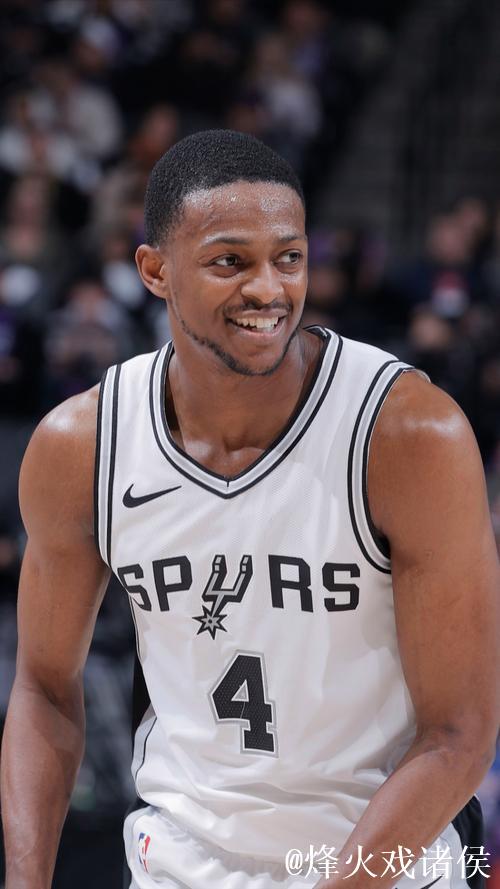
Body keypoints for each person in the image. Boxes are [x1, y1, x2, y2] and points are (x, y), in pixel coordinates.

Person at [1, 130, 499, 889]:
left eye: (288, 257)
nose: (269, 289)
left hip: (380, 865)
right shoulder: (85, 445)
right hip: (178, 861)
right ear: (155, 271)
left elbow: (460, 735)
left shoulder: (408, 434)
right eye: (230, 261)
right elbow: (43, 688)